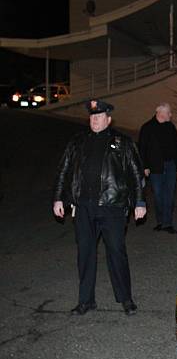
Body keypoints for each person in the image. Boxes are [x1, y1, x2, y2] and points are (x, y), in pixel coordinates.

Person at [53, 99, 146, 316]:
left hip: (112, 207)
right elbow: (63, 171)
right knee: (85, 253)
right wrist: (59, 199)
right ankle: (86, 301)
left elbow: (135, 174)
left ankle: (126, 299)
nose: (95, 120)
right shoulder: (78, 141)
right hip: (84, 207)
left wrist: (139, 202)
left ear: (108, 119)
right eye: (92, 117)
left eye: (99, 117)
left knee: (116, 252)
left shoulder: (122, 142)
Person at [138, 103, 177, 233]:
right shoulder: (147, 127)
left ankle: (167, 223)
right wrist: (145, 166)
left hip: (170, 165)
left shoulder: (170, 127)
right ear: (161, 114)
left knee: (169, 195)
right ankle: (160, 221)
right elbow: (142, 148)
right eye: (169, 113)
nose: (171, 115)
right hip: (155, 167)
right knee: (158, 195)